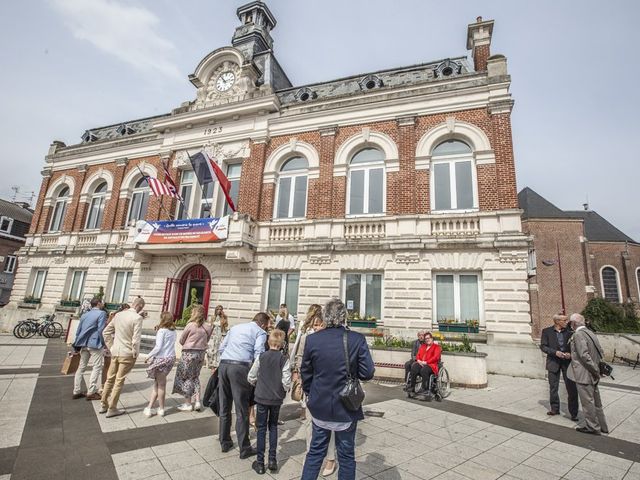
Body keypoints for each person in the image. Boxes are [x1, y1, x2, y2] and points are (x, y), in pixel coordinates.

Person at [300, 299, 375, 480]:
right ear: (344, 317)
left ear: (325, 316)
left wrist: (312, 393)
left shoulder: (312, 339)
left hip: (320, 404)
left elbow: (306, 373)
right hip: (347, 406)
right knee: (346, 456)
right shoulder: (356, 339)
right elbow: (367, 372)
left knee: (315, 454)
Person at [218, 311, 269, 459]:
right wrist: (255, 373)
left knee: (224, 406)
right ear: (263, 324)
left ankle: (225, 441)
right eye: (267, 326)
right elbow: (258, 353)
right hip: (240, 367)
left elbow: (222, 347)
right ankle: (244, 448)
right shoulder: (260, 332)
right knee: (241, 409)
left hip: (225, 363)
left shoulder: (235, 327)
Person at [247, 329, 292, 475]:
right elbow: (286, 380)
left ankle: (260, 463)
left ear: (269, 342)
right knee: (273, 426)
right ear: (282, 344)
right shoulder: (284, 359)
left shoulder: (262, 356)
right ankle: (272, 460)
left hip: (261, 396)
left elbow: (251, 376)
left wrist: (257, 384)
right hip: (276, 398)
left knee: (261, 428)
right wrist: (284, 389)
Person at [101, 296, 145, 418]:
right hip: (127, 353)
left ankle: (103, 404)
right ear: (140, 306)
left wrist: (111, 347)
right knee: (119, 381)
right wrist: (135, 353)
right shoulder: (137, 318)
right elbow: (136, 340)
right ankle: (112, 408)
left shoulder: (119, 315)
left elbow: (106, 332)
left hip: (116, 351)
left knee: (110, 379)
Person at [567, 313, 609, 435]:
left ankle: (592, 427)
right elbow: (600, 351)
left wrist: (595, 370)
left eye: (570, 323)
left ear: (574, 324)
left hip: (584, 374)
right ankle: (603, 426)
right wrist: (599, 369)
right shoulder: (590, 332)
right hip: (592, 373)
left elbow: (584, 355)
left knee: (587, 403)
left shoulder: (578, 334)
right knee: (597, 403)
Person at [172, 304, 213, 412]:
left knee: (187, 377)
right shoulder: (208, 327)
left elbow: (181, 340)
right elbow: (207, 340)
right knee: (195, 377)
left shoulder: (190, 325)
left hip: (188, 354)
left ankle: (188, 403)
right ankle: (198, 401)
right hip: (200, 354)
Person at [540, 314, 579, 420]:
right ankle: (554, 408)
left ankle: (574, 413)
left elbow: (575, 347)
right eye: (564, 320)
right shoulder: (546, 331)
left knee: (572, 389)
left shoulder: (570, 332)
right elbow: (543, 346)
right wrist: (555, 352)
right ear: (557, 321)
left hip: (567, 363)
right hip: (553, 362)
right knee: (553, 387)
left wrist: (571, 354)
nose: (567, 322)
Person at [72, 297, 107, 401]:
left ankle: (76, 391)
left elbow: (78, 331)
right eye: (102, 302)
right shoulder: (101, 313)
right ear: (99, 303)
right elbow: (101, 330)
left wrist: (76, 345)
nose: (103, 304)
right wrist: (103, 343)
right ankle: (91, 391)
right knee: (97, 366)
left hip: (83, 343)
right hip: (95, 343)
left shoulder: (85, 314)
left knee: (81, 367)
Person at [143, 312, 177, 417]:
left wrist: (148, 356)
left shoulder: (162, 331)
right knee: (158, 384)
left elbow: (158, 347)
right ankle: (150, 407)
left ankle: (160, 408)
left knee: (160, 385)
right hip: (171, 358)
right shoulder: (174, 331)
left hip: (161, 358)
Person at [407, 332, 442, 400]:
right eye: (426, 339)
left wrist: (426, 362)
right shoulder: (423, 346)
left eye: (428, 338)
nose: (427, 340)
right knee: (414, 367)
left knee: (424, 370)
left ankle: (425, 388)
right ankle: (412, 387)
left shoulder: (437, 347)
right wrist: (418, 360)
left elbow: (436, 357)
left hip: (431, 365)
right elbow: (418, 355)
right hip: (422, 363)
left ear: (432, 339)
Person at [206, 305, 229, 371]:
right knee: (211, 350)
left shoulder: (224, 317)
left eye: (220, 309)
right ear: (216, 310)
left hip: (220, 335)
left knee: (219, 350)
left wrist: (223, 318)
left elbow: (225, 326)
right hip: (213, 336)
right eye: (218, 309)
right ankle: (212, 365)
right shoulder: (213, 317)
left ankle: (217, 365)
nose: (219, 310)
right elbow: (211, 326)